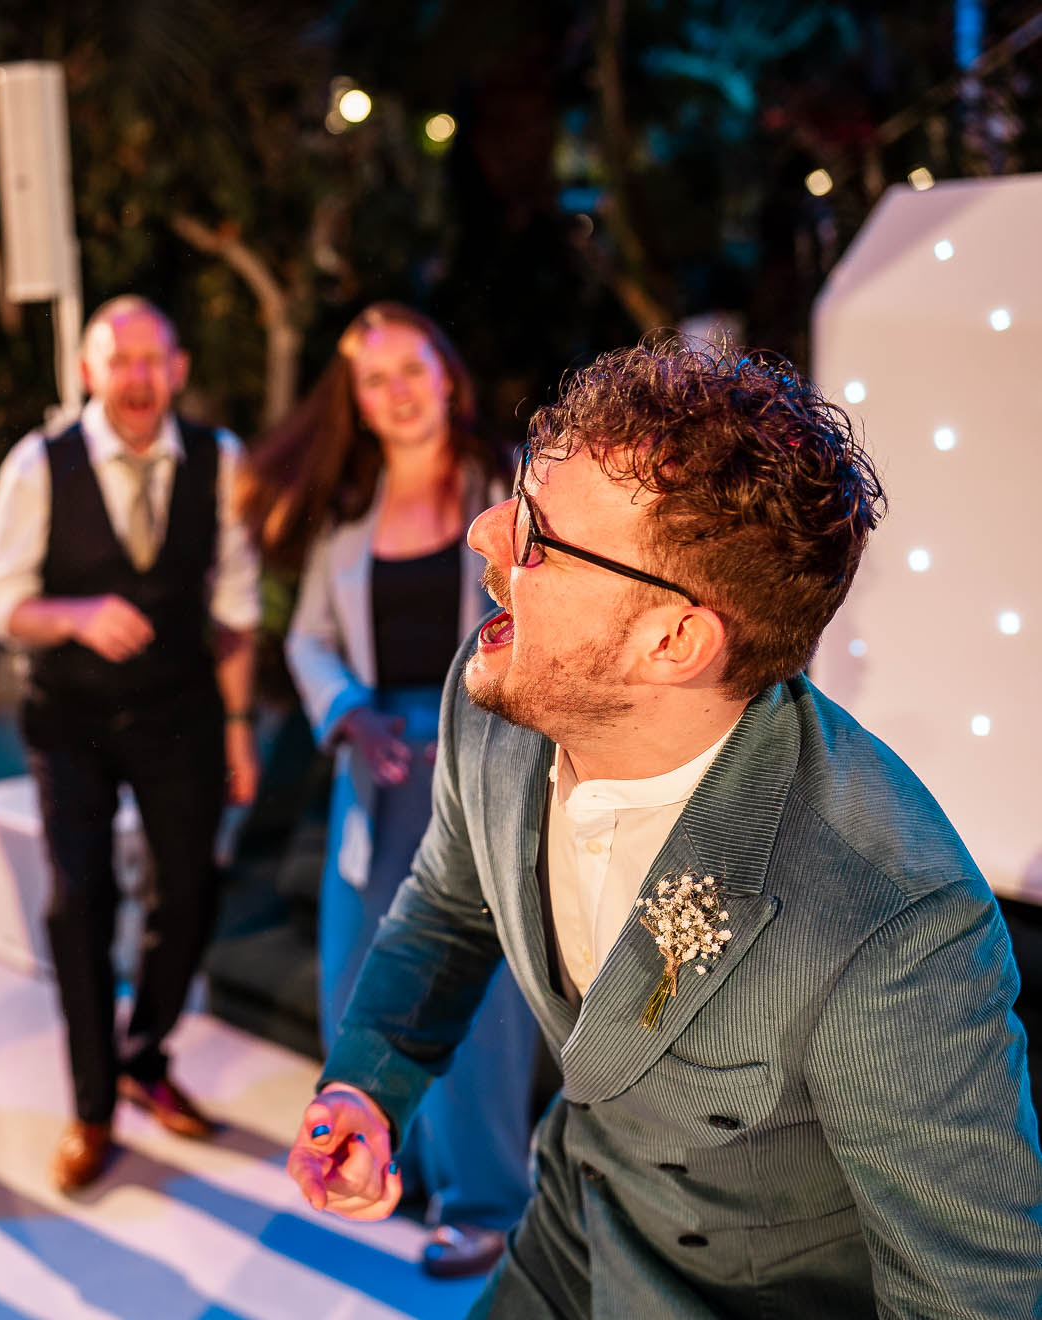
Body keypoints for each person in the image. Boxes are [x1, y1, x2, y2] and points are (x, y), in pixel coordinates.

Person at [286, 338, 1042, 1318]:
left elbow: (968, 1298)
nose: (484, 534)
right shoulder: (493, 697)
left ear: (676, 640)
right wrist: (367, 1087)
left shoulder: (890, 922)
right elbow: (447, 908)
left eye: (541, 540)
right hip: (569, 1224)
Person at [243, 304, 536, 1277]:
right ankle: (387, 1165)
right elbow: (308, 639)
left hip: (486, 761)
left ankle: (486, 1202)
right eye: (376, 379)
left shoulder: (511, 490)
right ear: (358, 403)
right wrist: (349, 715)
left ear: (448, 374)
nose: (399, 392)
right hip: (376, 770)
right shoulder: (343, 513)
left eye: (414, 368)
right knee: (358, 974)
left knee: (481, 1000)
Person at [0, 295, 261, 1193]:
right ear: (90, 372)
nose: (136, 377)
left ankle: (147, 1056)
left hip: (182, 710)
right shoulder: (38, 464)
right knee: (80, 904)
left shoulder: (222, 460)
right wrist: (74, 614)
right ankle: (93, 1106)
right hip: (73, 720)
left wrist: (240, 730)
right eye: (117, 359)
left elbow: (238, 610)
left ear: (176, 370)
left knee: (192, 888)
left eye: (152, 359)